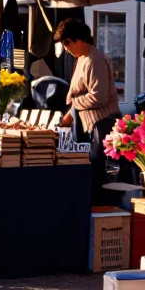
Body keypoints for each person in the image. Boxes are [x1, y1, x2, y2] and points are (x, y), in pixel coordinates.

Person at [53, 18, 121, 202]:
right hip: (89, 125)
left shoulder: (94, 59)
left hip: (100, 125)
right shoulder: (82, 58)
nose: (66, 47)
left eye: (67, 42)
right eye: (63, 43)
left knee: (99, 176)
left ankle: (103, 211)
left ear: (79, 39)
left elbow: (99, 96)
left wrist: (74, 104)